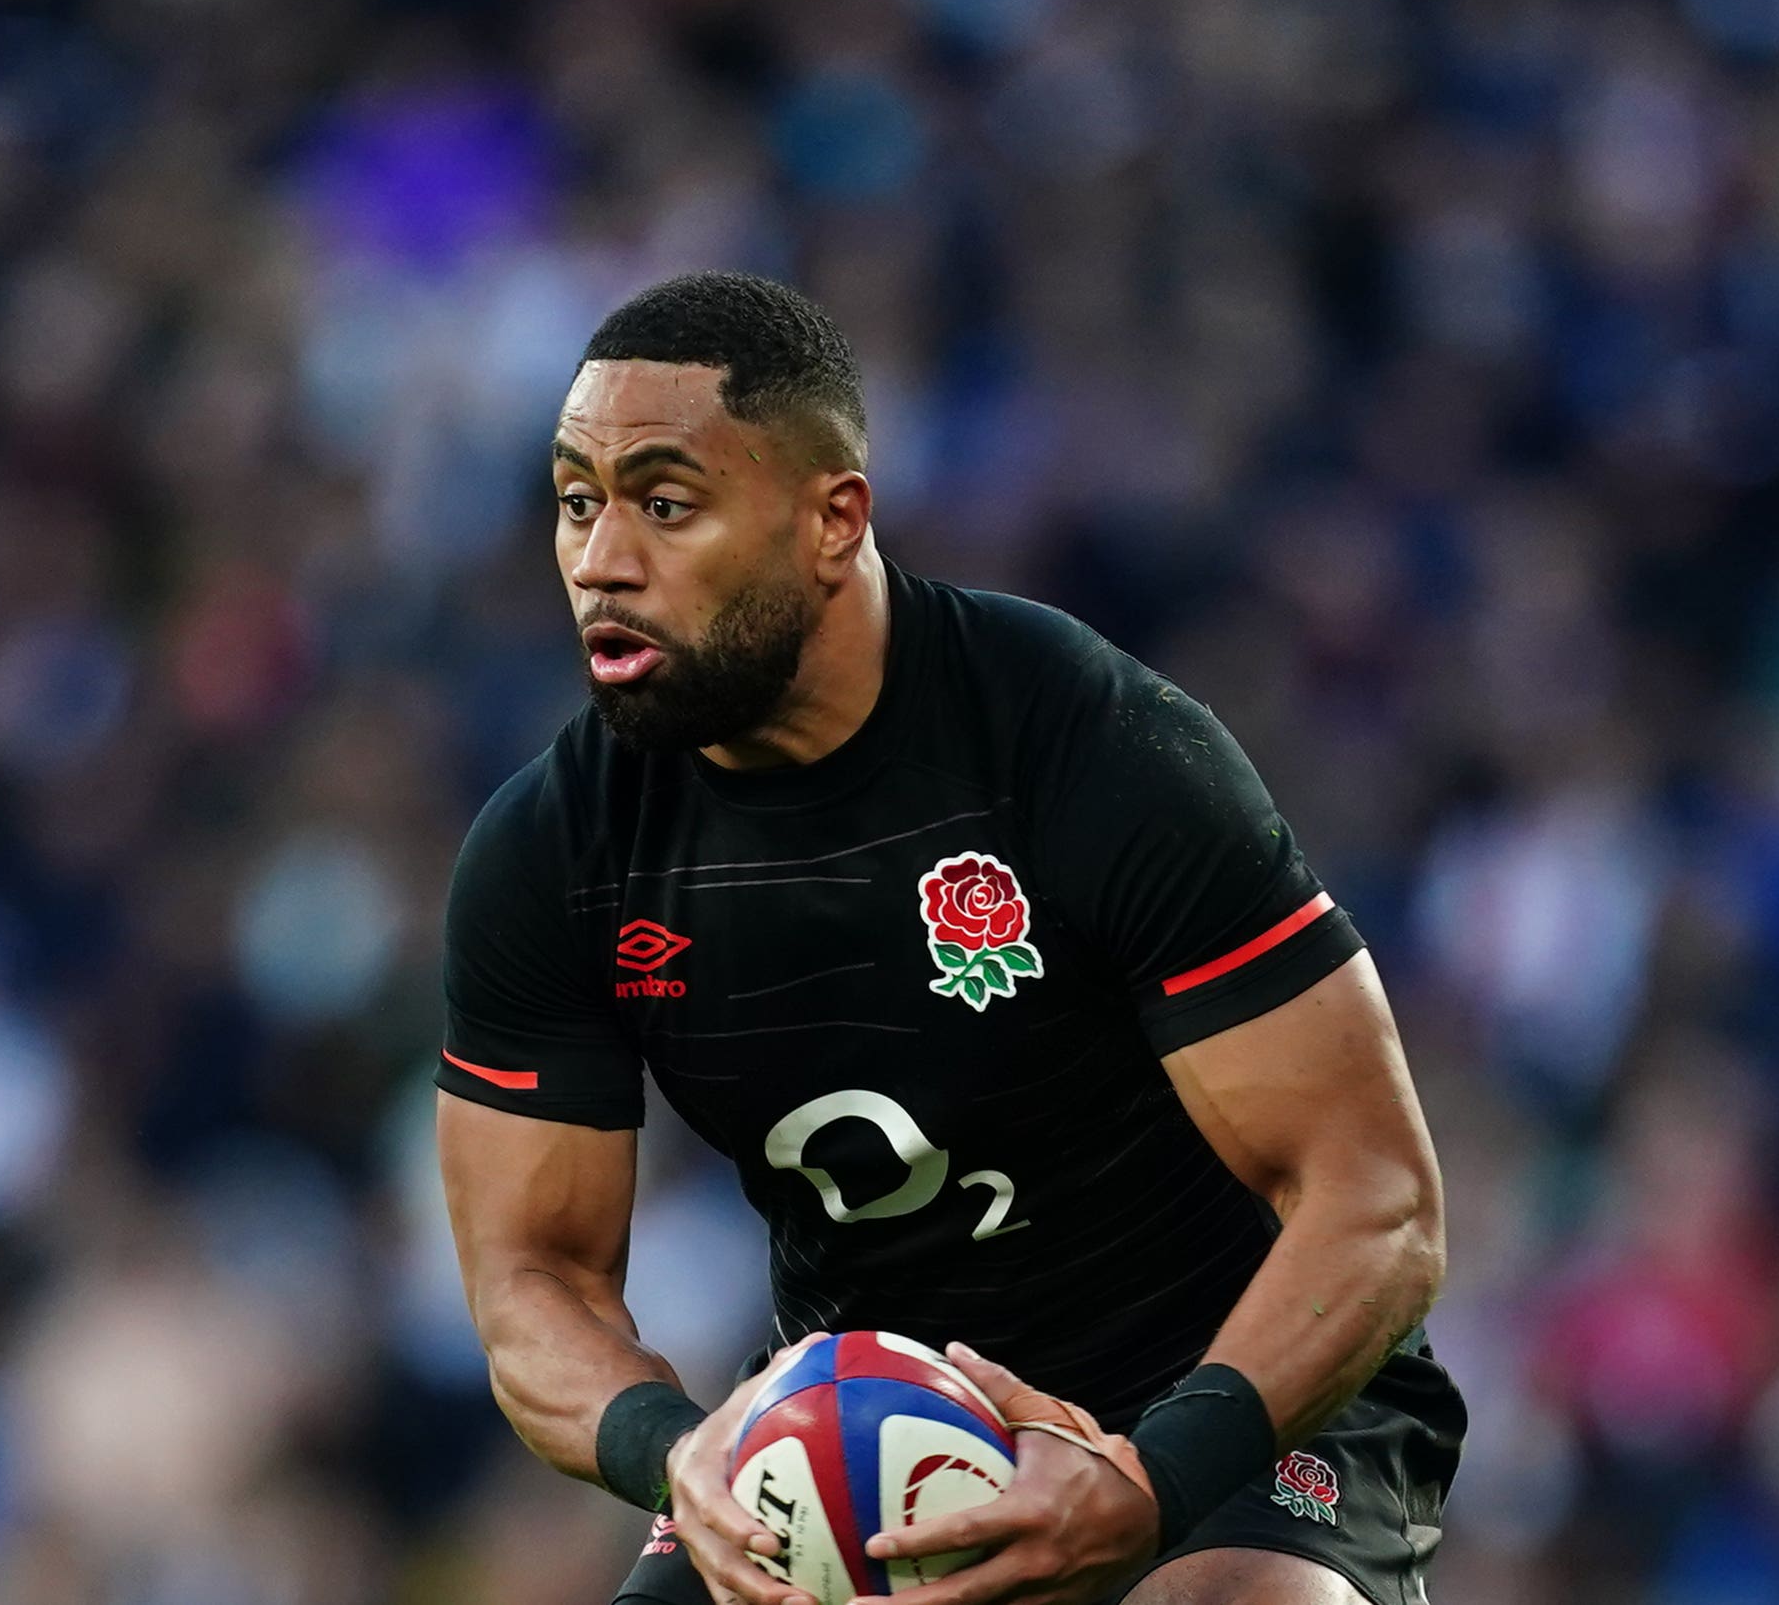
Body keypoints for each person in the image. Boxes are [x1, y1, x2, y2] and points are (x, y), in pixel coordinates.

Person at [434, 271, 1462, 1605]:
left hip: (1233, 1394)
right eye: (578, 503)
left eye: (664, 503)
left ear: (832, 521)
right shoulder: (553, 856)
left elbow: (1373, 1202)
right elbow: (532, 1278)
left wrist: (1150, 1477)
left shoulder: (1093, 751)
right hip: (867, 1431)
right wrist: (674, 1447)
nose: (597, 560)